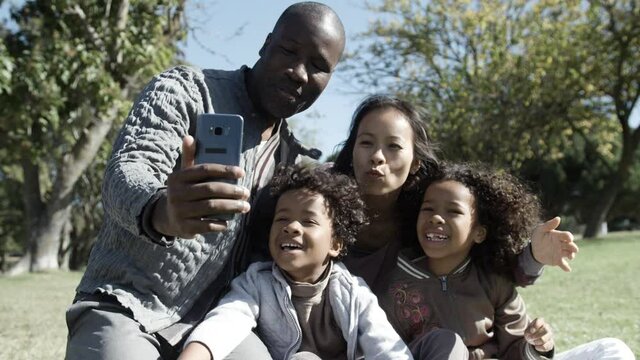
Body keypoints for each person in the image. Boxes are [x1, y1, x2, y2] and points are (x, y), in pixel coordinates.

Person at [65, 2, 346, 359]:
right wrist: (161, 210)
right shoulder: (185, 90)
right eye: (289, 51)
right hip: (127, 304)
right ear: (265, 44)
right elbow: (128, 170)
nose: (300, 73)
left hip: (220, 325)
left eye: (319, 66)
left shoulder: (293, 161)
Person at [331, 94, 579, 359]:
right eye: (366, 142)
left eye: (394, 146)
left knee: (611, 350)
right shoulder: (321, 206)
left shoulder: (424, 211)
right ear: (352, 148)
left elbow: (500, 271)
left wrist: (534, 256)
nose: (377, 156)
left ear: (416, 161)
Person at [377, 162, 635, 360]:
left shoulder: (494, 280)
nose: (436, 218)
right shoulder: (396, 283)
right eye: (428, 209)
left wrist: (537, 344)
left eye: (453, 211)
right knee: (446, 342)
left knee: (612, 349)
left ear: (479, 232)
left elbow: (514, 350)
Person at [178, 165, 412, 360]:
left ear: (336, 244)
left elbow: (384, 344)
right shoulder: (257, 282)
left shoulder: (353, 292)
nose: (291, 227)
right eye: (282, 219)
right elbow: (226, 320)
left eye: (308, 220)